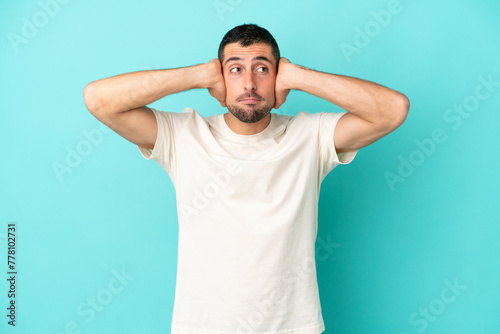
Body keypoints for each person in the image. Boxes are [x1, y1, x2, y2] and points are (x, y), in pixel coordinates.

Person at [83, 23, 409, 334]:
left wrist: (298, 75)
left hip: (293, 327)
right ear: (220, 77)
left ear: (277, 75)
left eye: (263, 68)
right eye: (235, 69)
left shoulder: (311, 135)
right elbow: (99, 100)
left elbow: (393, 110)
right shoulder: (182, 135)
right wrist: (200, 74)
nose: (249, 84)